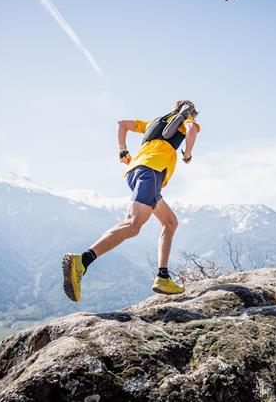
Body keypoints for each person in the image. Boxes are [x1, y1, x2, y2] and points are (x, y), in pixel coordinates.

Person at [62, 100, 200, 302]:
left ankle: (163, 277)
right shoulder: (186, 120)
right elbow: (191, 132)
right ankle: (82, 261)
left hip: (135, 171)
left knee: (170, 222)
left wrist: (122, 150)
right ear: (191, 112)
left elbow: (122, 124)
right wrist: (187, 155)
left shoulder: (154, 122)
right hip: (151, 172)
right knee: (133, 225)